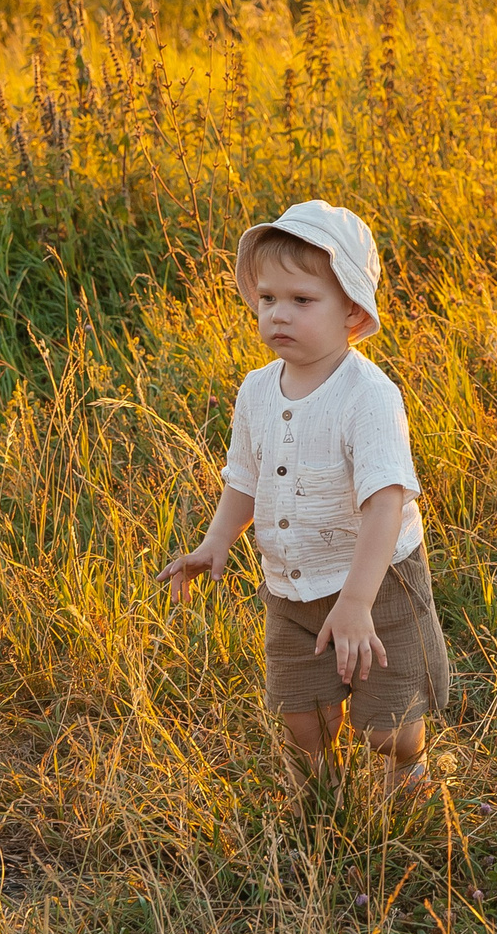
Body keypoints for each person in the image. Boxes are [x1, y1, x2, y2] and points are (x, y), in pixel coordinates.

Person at [156, 200, 450, 788]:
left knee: (387, 724)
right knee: (303, 719)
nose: (277, 315)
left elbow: (385, 503)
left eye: (301, 301)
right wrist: (216, 544)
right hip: (291, 587)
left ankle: (408, 774)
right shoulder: (258, 390)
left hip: (378, 583)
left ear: (351, 310)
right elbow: (246, 477)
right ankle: (323, 799)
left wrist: (358, 603)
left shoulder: (368, 396)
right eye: (267, 299)